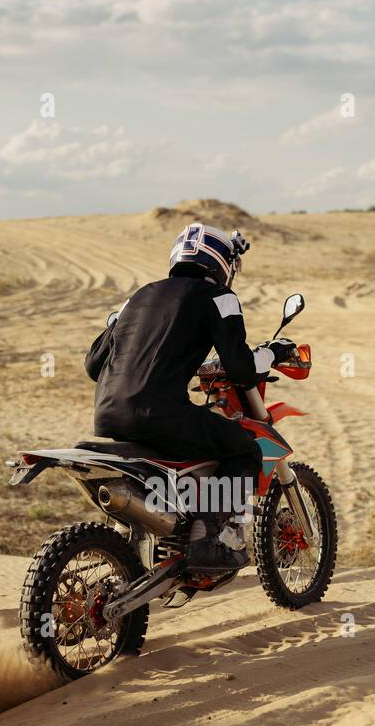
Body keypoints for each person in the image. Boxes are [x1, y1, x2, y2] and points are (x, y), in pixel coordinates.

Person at [84, 222, 294, 571]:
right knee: (245, 448)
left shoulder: (136, 297)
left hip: (108, 415)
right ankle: (208, 536)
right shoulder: (220, 297)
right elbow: (241, 369)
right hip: (159, 416)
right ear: (221, 264)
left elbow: (93, 365)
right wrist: (272, 353)